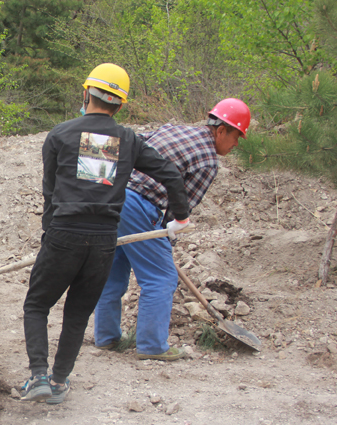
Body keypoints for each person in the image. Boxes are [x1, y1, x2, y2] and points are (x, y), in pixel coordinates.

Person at [20, 64, 191, 404]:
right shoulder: (128, 140)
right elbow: (171, 174)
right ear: (120, 105)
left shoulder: (59, 135)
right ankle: (59, 382)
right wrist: (180, 219)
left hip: (64, 234)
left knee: (37, 304)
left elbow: (50, 194)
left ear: (86, 94)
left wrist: (48, 238)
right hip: (103, 242)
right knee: (78, 312)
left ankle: (38, 376)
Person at [94, 98, 251, 361]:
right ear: (221, 130)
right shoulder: (209, 161)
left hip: (111, 197)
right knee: (161, 277)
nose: (236, 144)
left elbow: (131, 143)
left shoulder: (174, 129)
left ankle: (106, 338)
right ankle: (152, 346)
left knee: (114, 270)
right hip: (139, 205)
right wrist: (167, 241)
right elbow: (181, 206)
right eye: (236, 137)